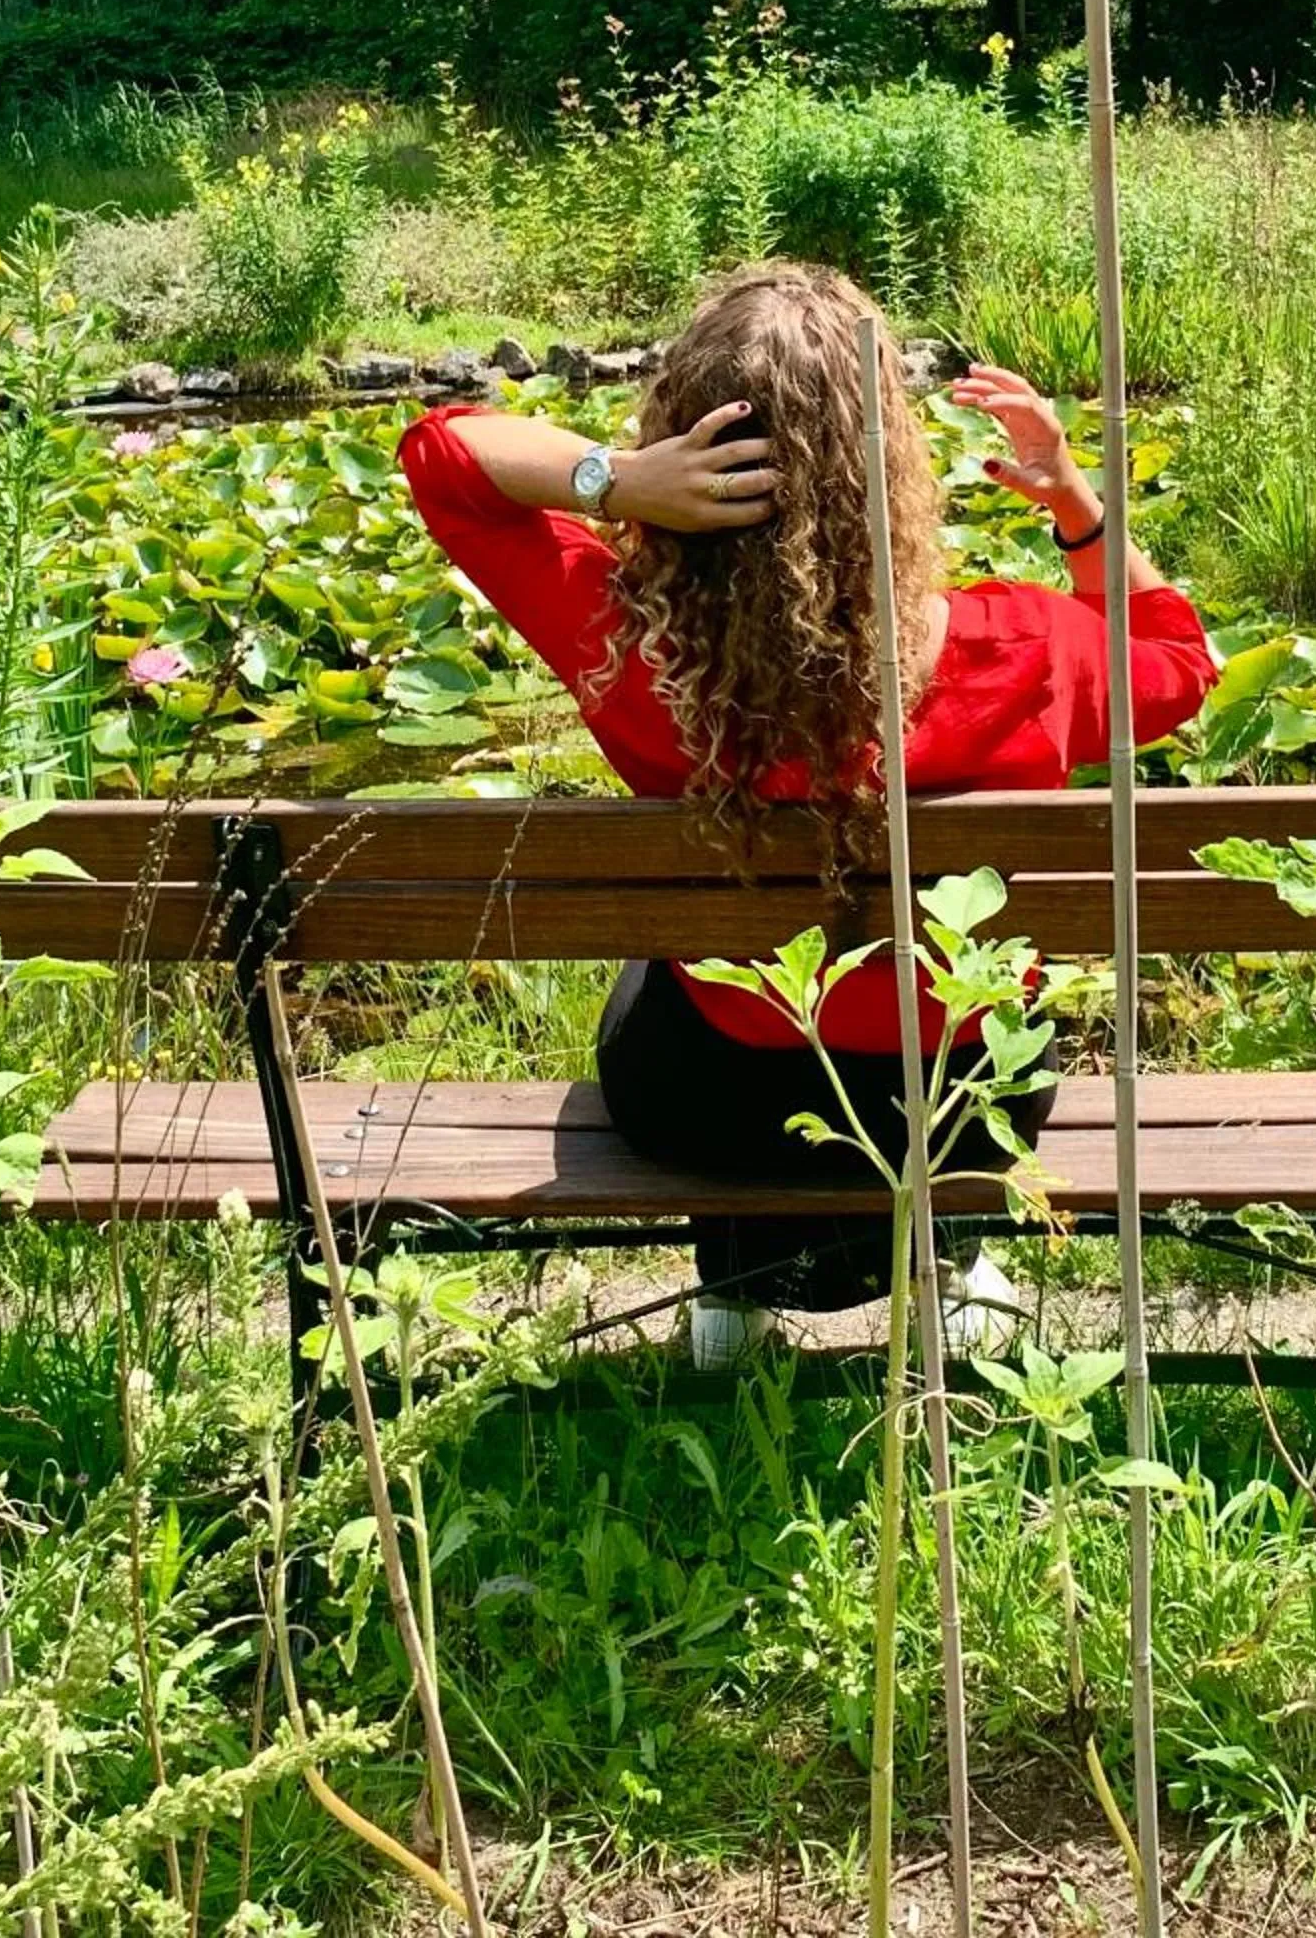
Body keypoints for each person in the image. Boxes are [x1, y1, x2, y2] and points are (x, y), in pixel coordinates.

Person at [396, 260, 1217, 1362]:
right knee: (915, 1006)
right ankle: (953, 1263)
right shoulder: (1028, 648)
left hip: (715, 1108)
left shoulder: (633, 651)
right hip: (969, 1107)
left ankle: (734, 1306)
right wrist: (1073, 498)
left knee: (683, 984)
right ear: (886, 468)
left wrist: (618, 481)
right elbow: (1182, 657)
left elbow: (442, 453)